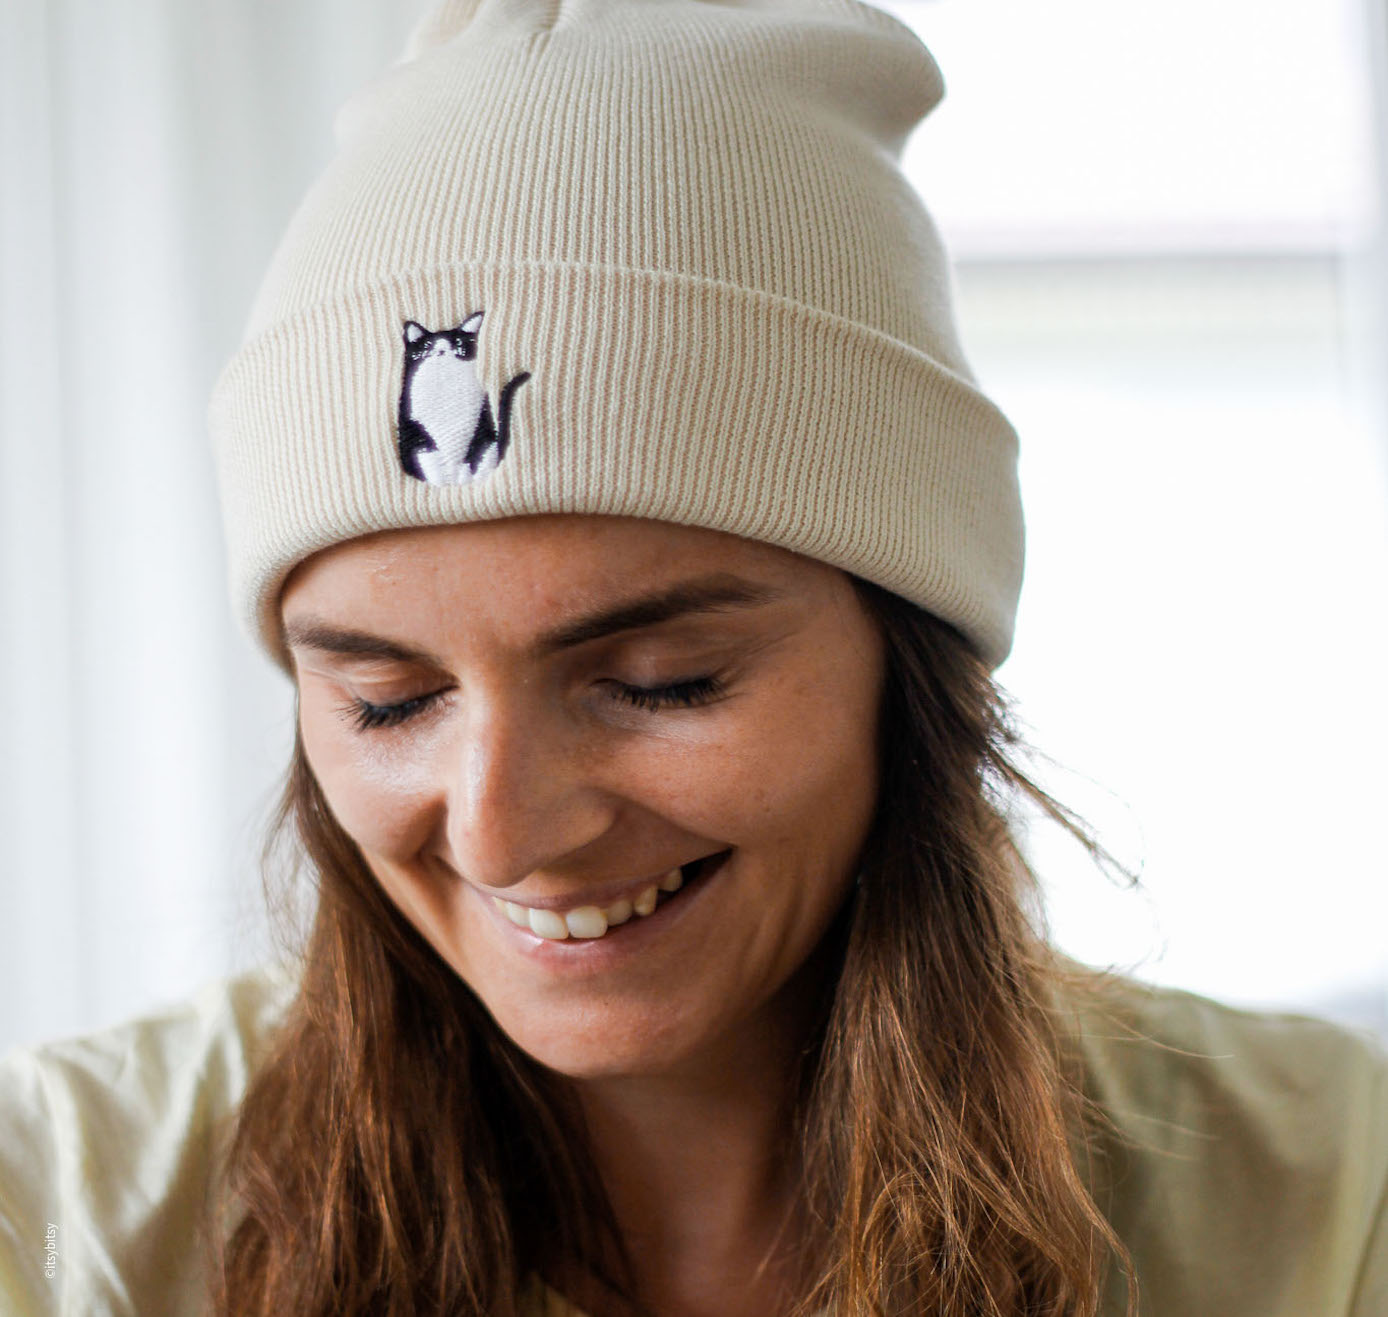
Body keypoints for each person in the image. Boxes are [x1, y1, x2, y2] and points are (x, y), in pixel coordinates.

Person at [1, 1, 1385, 1314]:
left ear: (915, 659)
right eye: (388, 700)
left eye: (661, 681)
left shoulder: (1332, 1196)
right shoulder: (54, 1216)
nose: (499, 829)